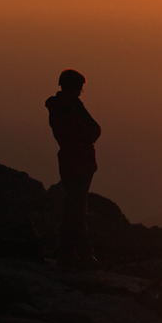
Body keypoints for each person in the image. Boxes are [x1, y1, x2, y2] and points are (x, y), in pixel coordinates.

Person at [45, 69, 101, 268]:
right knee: (77, 210)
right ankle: (76, 254)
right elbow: (95, 129)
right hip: (82, 161)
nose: (80, 92)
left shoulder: (55, 107)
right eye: (80, 88)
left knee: (74, 207)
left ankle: (72, 252)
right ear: (75, 87)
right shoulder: (74, 106)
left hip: (67, 161)